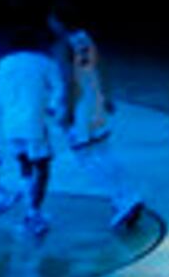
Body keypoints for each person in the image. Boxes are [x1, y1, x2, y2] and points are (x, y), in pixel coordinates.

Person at [54, 29, 141, 230]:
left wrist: (67, 111)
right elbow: (101, 67)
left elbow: (69, 81)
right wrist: (106, 95)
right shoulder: (86, 37)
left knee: (86, 158)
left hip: (80, 107)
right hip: (95, 102)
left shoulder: (63, 45)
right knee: (105, 152)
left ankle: (121, 199)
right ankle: (129, 195)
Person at [0, 42, 63, 237]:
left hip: (10, 123)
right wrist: (51, 107)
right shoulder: (43, 62)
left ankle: (29, 209)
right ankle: (34, 212)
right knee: (42, 168)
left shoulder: (3, 63)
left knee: (24, 165)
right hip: (33, 123)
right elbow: (59, 89)